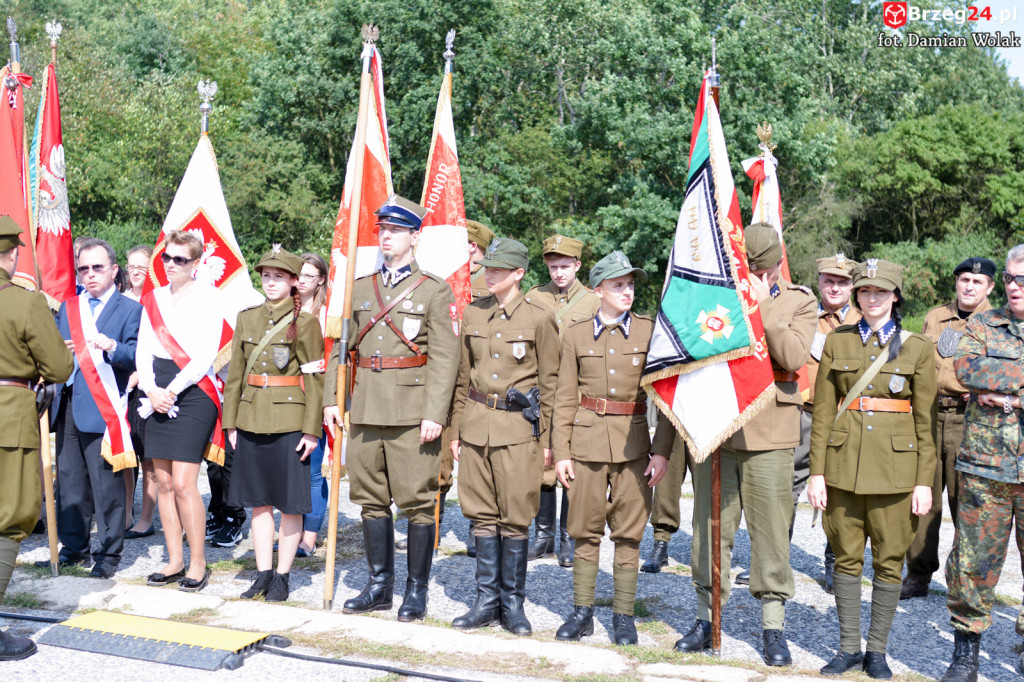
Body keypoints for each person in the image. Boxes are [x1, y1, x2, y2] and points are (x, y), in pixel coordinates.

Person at [674, 223, 816, 666]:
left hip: (770, 434)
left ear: (775, 265)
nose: (753, 272)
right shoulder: (716, 295)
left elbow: (792, 357)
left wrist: (762, 302)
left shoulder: (798, 300)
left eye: (760, 267)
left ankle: (773, 624)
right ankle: (705, 615)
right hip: (718, 425)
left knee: (771, 533)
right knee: (709, 528)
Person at [323, 195, 460, 622]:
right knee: (369, 501)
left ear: (414, 238)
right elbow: (341, 351)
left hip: (411, 411)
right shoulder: (359, 288)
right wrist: (332, 398)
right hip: (364, 407)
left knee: (418, 503)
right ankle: (379, 585)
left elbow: (445, 357)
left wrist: (435, 413)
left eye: (396, 230)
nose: (386, 235)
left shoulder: (434, 290)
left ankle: (415, 591)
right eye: (382, 228)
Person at [807, 258, 936, 679]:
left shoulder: (916, 347)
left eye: (881, 291)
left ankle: (876, 651)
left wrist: (923, 482)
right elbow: (824, 414)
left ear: (895, 296)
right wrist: (817, 473)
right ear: (856, 295)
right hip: (843, 468)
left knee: (889, 560)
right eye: (865, 291)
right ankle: (847, 648)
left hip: (897, 472)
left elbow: (925, 423)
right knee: (845, 559)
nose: (872, 298)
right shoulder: (837, 343)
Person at [552, 251, 668, 645]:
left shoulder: (650, 332)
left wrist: (662, 450)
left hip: (635, 445)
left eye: (631, 284)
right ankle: (582, 611)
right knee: (583, 530)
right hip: (585, 443)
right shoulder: (576, 333)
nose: (628, 291)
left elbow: (666, 396)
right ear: (598, 290)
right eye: (618, 285)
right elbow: (564, 397)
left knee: (630, 533)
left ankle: (623, 616)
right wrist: (561, 451)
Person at [448, 237, 559, 636]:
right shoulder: (472, 314)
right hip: (477, 424)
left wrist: (548, 442)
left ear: (519, 274)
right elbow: (462, 379)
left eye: (497, 269)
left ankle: (513, 604)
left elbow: (552, 383)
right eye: (487, 268)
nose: (488, 274)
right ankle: (485, 601)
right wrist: (456, 430)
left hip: (518, 429)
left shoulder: (539, 317)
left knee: (515, 515)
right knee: (480, 514)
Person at [940, 246, 1024, 682]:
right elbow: (965, 370)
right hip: (985, 468)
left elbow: (986, 374)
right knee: (972, 563)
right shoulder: (981, 324)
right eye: (1010, 278)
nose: (1014, 286)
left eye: (1021, 280)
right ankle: (965, 653)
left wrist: (1008, 392)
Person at [223, 246, 324, 602]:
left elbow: (314, 379)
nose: (270, 282)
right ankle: (263, 572)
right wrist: (229, 423)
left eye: (279, 277)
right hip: (250, 418)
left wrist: (312, 430)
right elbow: (235, 376)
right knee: (259, 503)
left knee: (290, 504)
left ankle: (283, 576)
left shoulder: (306, 323)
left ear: (295, 282)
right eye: (266, 276)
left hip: (289, 423)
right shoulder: (246, 317)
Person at [901, 257, 995, 601]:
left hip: (970, 420)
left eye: (977, 281)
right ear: (956, 282)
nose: (969, 286)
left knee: (966, 502)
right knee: (923, 496)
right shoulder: (935, 316)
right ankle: (918, 574)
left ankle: (965, 582)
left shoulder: (997, 323)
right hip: (928, 414)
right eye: (964, 279)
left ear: (989, 287)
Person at [0, 216, 72, 660]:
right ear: (10, 255)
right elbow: (60, 368)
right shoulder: (24, 304)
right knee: (10, 520)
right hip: (9, 420)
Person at [136, 230, 222, 592]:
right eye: (167, 258)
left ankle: (198, 564)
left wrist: (169, 392)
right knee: (163, 481)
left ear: (196, 263)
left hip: (193, 392)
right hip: (157, 388)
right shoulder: (153, 298)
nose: (171, 265)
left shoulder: (209, 297)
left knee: (186, 483)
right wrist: (152, 390)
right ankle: (174, 561)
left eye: (180, 260)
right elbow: (143, 350)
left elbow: (204, 357)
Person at [52, 238, 142, 579]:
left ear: (114, 270)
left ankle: (108, 552)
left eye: (97, 267)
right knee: (70, 481)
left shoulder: (130, 309)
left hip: (104, 406)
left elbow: (137, 356)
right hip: (69, 404)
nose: (90, 274)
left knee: (107, 483)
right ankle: (74, 546)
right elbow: (58, 355)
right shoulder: (68, 307)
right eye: (83, 268)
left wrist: (114, 347)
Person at [524, 234, 601, 567]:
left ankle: (569, 536)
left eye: (565, 266)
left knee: (571, 462)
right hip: (540, 391)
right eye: (553, 267)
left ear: (578, 266)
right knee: (541, 462)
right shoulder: (533, 296)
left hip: (576, 392)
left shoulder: (593, 302)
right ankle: (543, 537)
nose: (558, 273)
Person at [792, 253, 860, 593]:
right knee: (784, 488)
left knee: (840, 491)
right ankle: (774, 558)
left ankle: (835, 561)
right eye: (828, 280)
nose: (834, 287)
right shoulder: (802, 316)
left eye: (842, 282)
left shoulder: (864, 322)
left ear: (852, 286)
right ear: (818, 282)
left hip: (842, 420)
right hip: (801, 414)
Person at [294, 252, 329, 557]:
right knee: (291, 469)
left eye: (309, 275)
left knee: (313, 471)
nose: (302, 280)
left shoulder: (326, 314)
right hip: (286, 398)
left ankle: (310, 536)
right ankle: (292, 531)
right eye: (299, 274)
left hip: (314, 397)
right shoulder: (283, 308)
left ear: (320, 280)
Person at [123, 244, 158, 541]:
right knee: (124, 455)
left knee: (148, 459)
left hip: (148, 388)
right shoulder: (119, 301)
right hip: (120, 389)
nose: (135, 272)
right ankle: (125, 514)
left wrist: (140, 376)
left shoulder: (158, 302)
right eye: (131, 266)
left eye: (141, 267)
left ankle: (146, 518)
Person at [639, 430, 690, 573]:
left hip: (707, 420)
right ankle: (661, 542)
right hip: (675, 416)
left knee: (707, 488)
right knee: (666, 485)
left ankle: (708, 548)